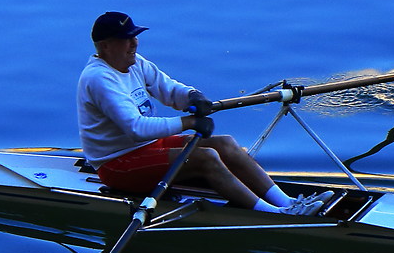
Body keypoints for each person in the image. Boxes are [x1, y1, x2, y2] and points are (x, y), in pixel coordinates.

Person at [77, 11, 329, 214]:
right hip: (117, 163)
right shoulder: (99, 79)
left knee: (227, 144)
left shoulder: (136, 63)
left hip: (150, 147)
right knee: (206, 157)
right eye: (127, 38)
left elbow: (169, 89)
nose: (134, 43)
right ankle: (275, 215)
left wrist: (193, 96)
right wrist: (188, 122)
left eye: (135, 36)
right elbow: (137, 129)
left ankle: (287, 202)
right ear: (105, 46)